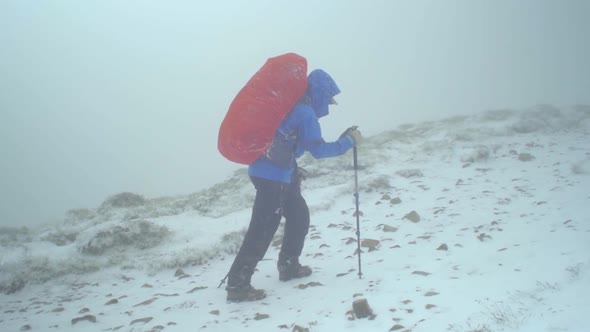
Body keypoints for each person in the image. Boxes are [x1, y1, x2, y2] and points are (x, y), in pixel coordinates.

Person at [225, 69, 362, 302]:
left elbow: (285, 143)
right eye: (328, 98)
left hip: (273, 173)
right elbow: (318, 150)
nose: (328, 105)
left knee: (299, 216)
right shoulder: (305, 112)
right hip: (272, 178)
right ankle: (237, 285)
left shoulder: (293, 108)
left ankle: (289, 266)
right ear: (319, 93)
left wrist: (293, 169)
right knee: (263, 228)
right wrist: (349, 141)